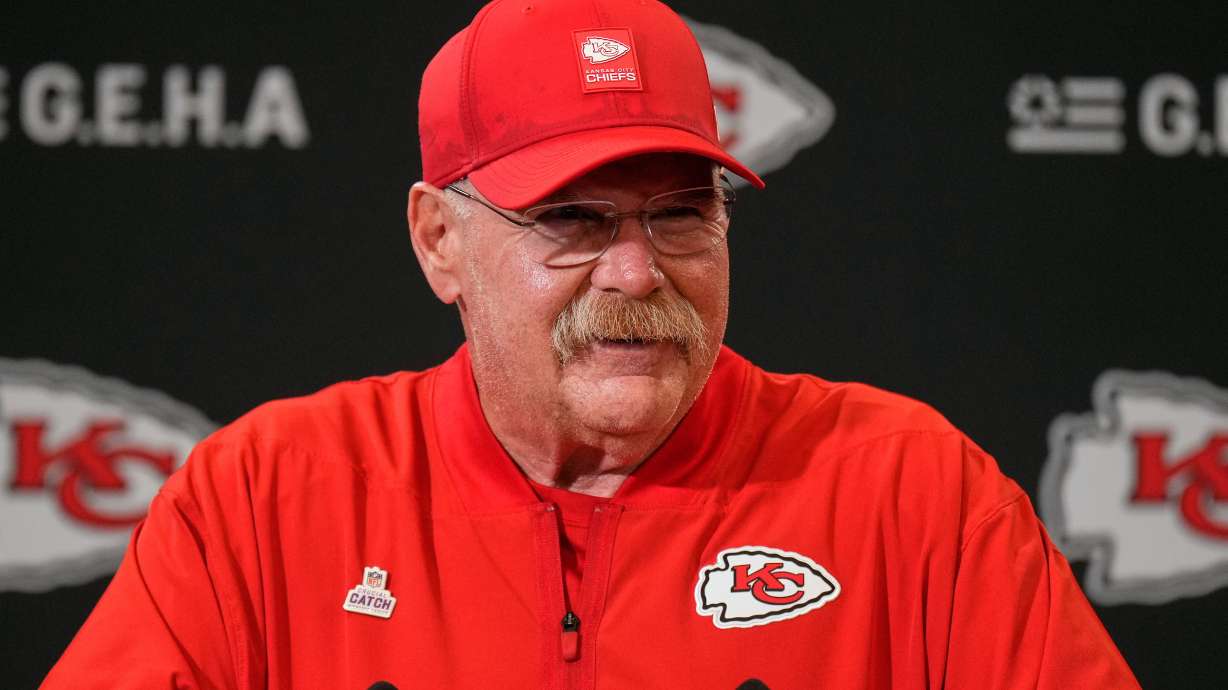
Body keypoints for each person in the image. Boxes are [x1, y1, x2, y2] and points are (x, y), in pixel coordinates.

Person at [44, 0, 1140, 687]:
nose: (635, 270)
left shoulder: (912, 495)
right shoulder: (266, 502)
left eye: (678, 212)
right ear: (439, 242)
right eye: (570, 219)